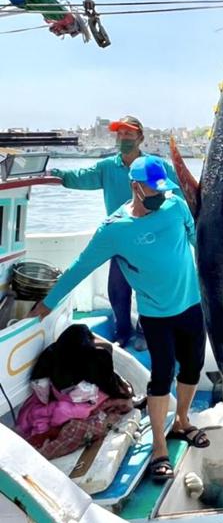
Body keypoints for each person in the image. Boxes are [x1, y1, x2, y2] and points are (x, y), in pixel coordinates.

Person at [30, 155, 208, 484]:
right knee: (161, 376)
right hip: (157, 315)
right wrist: (48, 303)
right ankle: (158, 447)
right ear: (135, 187)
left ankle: (182, 421)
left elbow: (198, 240)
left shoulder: (175, 206)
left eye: (163, 189)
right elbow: (80, 267)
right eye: (153, 190)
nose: (160, 195)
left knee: (193, 368)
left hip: (193, 306)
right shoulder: (114, 230)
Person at [49, 116, 181, 349]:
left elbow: (179, 195)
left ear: (140, 138)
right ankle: (123, 331)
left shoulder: (155, 166)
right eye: (120, 134)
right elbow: (78, 177)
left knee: (149, 290)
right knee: (117, 290)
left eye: (129, 134)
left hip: (152, 239)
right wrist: (52, 173)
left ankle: (144, 331)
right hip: (120, 239)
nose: (124, 138)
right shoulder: (107, 167)